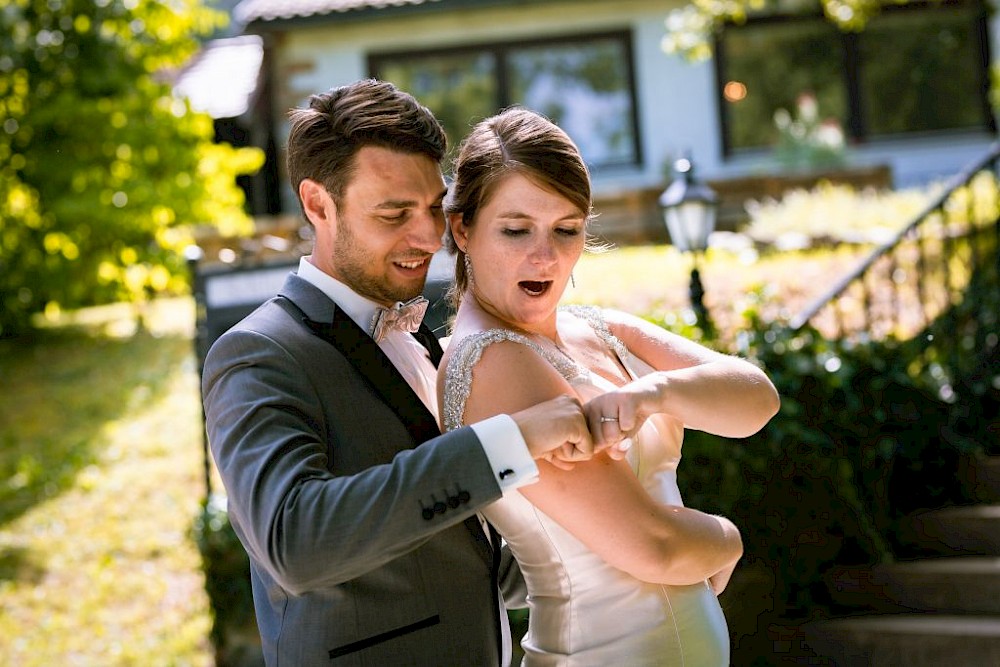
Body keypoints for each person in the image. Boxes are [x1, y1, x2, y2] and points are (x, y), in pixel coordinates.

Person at [202, 80, 613, 666]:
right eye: (394, 213)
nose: (428, 239)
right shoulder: (258, 354)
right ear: (319, 204)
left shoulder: (423, 339)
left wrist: (630, 554)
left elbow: (463, 552)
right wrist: (512, 441)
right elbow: (295, 543)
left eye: (432, 209)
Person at [438, 107, 781, 665]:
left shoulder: (595, 326)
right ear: (462, 228)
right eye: (516, 229)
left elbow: (757, 399)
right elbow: (655, 547)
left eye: (566, 230)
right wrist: (729, 539)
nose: (544, 256)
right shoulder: (492, 361)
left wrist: (653, 396)